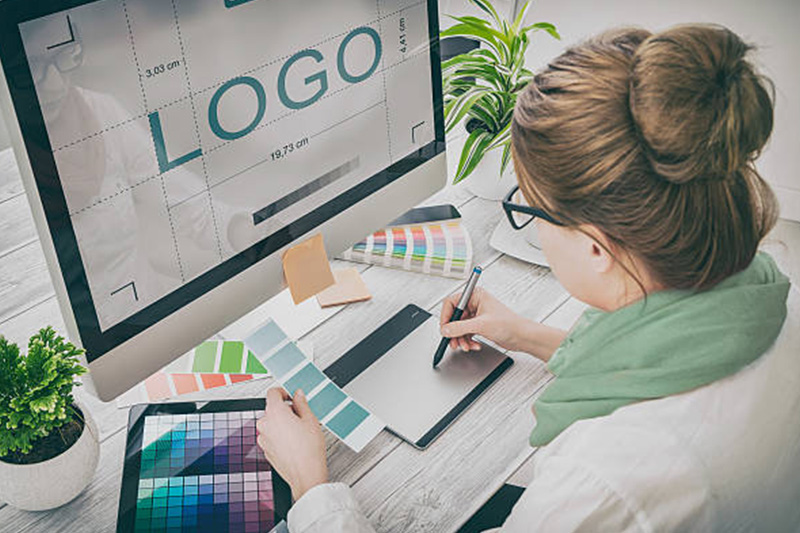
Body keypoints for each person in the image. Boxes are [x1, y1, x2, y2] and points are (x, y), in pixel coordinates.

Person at [256, 24, 799, 531]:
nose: (530, 223)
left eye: (531, 208)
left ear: (595, 247)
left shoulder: (603, 482)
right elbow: (674, 355)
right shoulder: (760, 289)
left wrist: (311, 486)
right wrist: (526, 334)